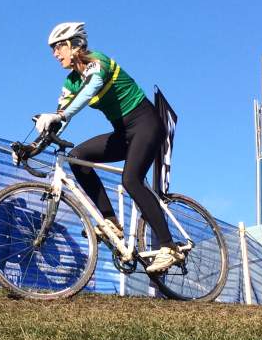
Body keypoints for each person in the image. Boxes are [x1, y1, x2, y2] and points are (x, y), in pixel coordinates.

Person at [33, 22, 183, 274]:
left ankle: (169, 247)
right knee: (77, 157)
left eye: (58, 47)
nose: (55, 54)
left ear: (74, 44)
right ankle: (111, 222)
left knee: (131, 180)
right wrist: (31, 147)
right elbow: (61, 118)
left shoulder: (98, 61)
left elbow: (89, 90)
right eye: (52, 49)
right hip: (123, 133)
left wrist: (60, 116)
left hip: (146, 124)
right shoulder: (71, 82)